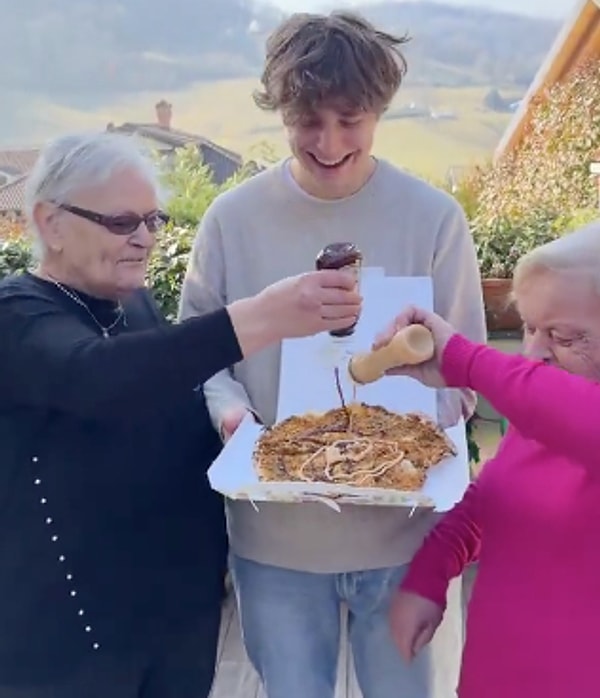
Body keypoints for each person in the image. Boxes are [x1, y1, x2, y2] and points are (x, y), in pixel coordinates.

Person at [179, 11, 486, 698]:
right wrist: (233, 416)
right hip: (276, 541)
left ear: (378, 110)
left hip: (403, 540)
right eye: (307, 120)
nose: (329, 141)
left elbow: (465, 368)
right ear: (281, 111)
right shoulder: (232, 219)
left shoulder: (434, 219)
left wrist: (420, 434)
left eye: (350, 119)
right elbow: (200, 351)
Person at [0, 131, 361, 698]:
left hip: (174, 629)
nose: (143, 239)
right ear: (50, 223)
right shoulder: (17, 315)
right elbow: (101, 378)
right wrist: (260, 318)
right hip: (69, 643)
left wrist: (253, 437)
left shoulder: (133, 304)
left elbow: (162, 398)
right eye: (121, 222)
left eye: (152, 220)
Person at [382, 220, 600, 698]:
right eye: (529, 327)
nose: (532, 353)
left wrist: (465, 359)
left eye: (564, 337)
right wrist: (429, 575)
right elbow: (494, 500)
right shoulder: (540, 420)